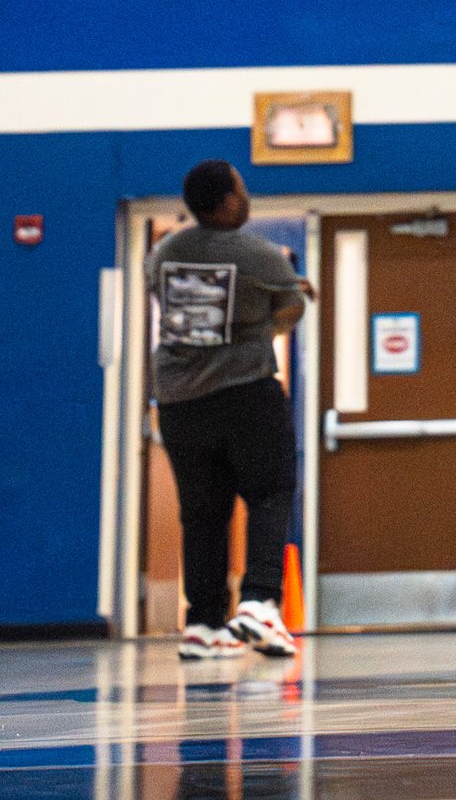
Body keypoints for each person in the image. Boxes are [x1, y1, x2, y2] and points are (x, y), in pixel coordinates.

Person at [146, 159, 311, 660]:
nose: (247, 197)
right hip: (244, 392)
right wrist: (263, 324)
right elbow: (290, 309)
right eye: (241, 190)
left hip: (179, 401)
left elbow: (168, 299)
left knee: (202, 512)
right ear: (225, 201)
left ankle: (203, 623)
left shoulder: (164, 252)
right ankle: (259, 602)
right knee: (270, 491)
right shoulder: (259, 253)